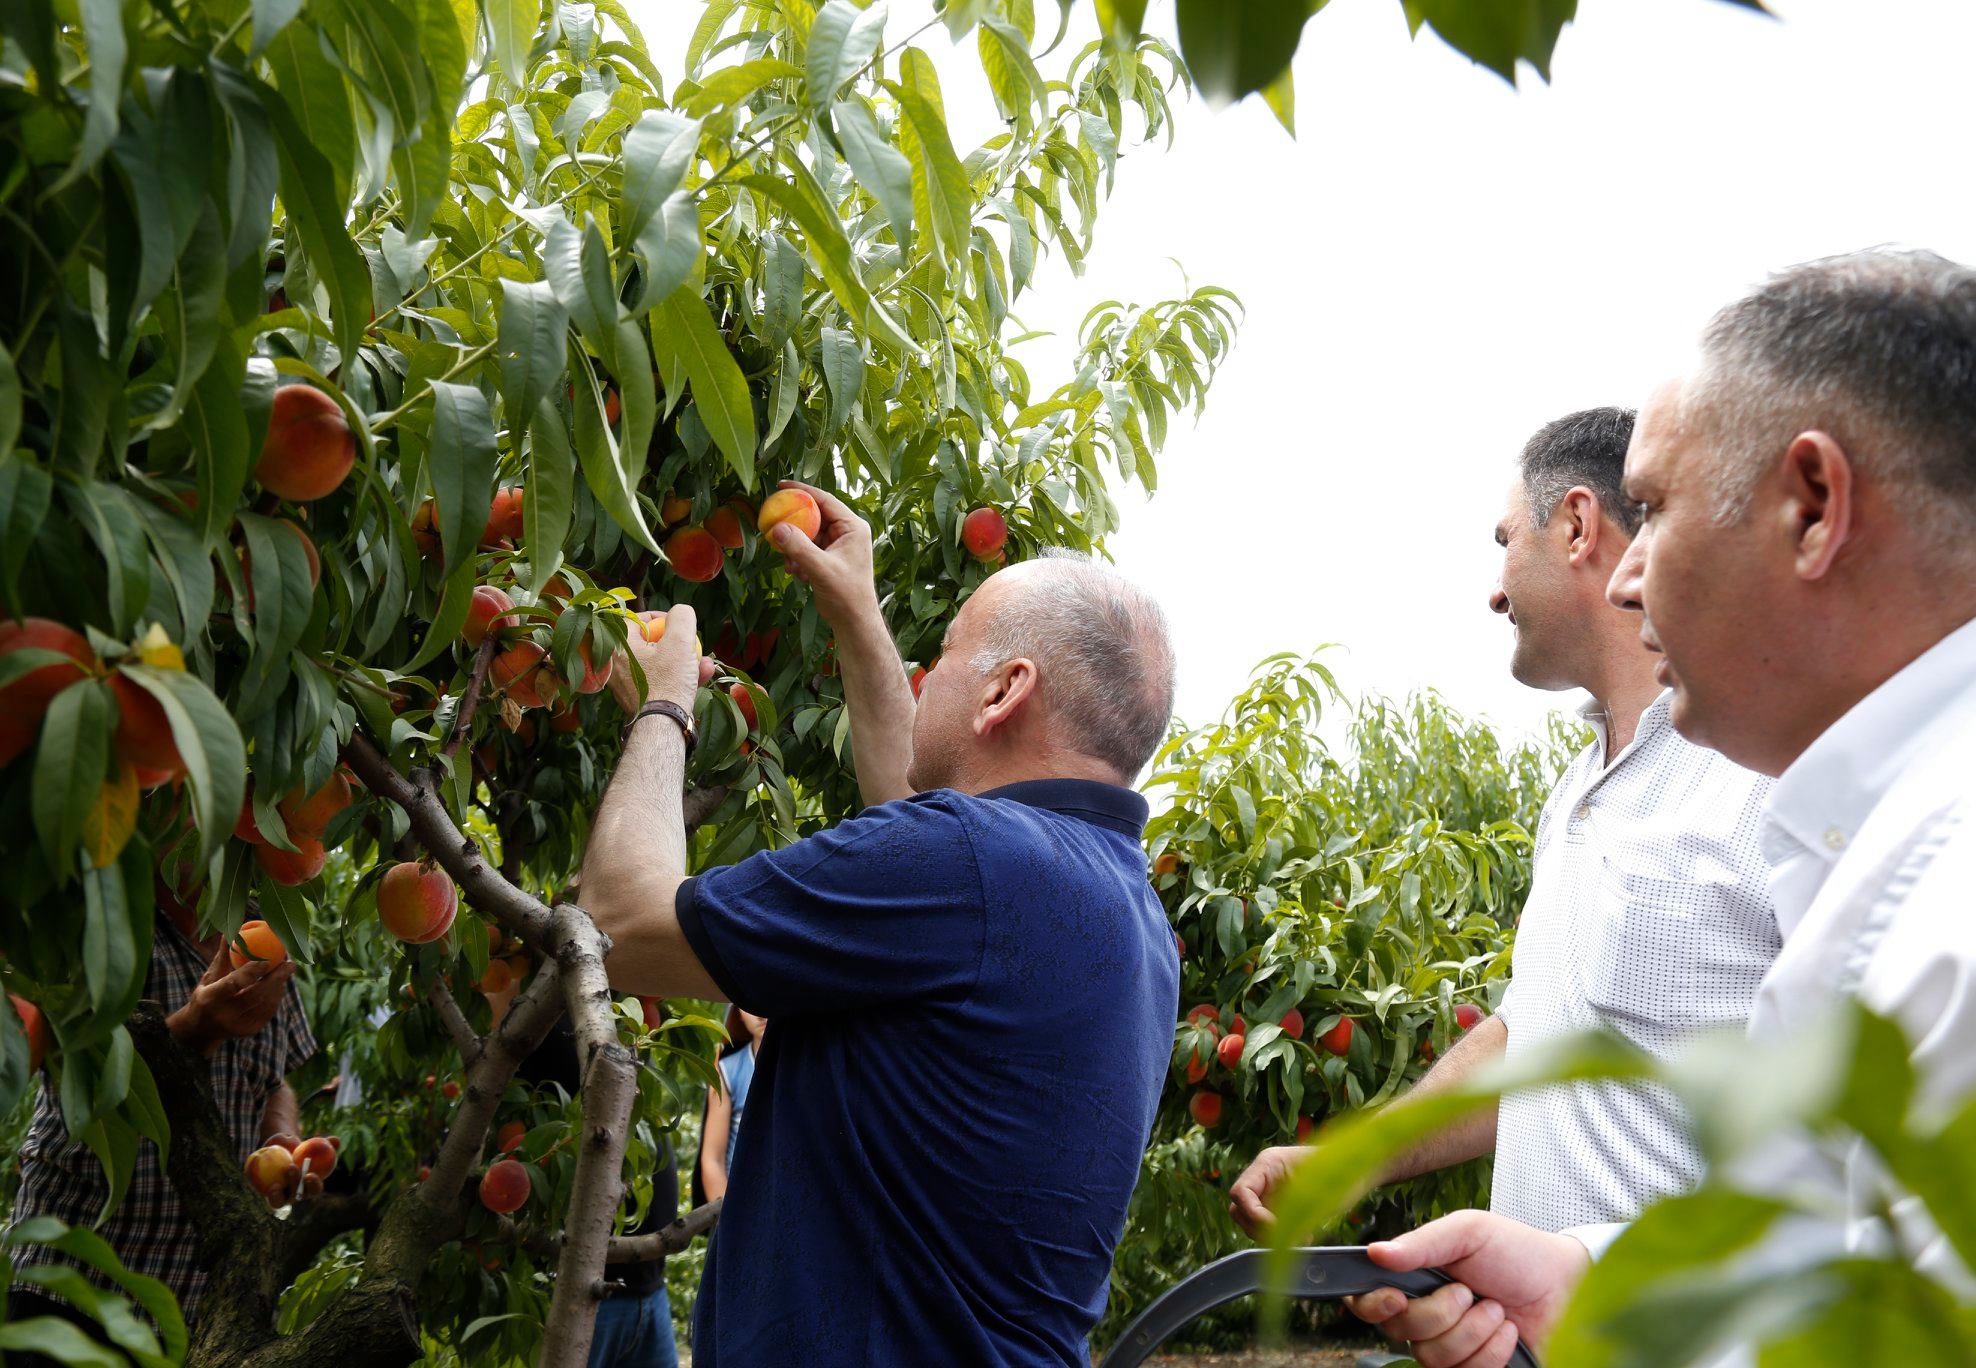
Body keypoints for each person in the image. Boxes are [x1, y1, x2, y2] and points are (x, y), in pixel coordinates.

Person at [1328, 248, 1976, 1368]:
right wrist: (1590, 1279)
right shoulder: (1864, 838)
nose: (1632, 579)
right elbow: (1843, 1252)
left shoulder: (1943, 892)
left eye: (1660, 510)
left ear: (1813, 509)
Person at [577, 484, 1181, 1367]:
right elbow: (918, 814)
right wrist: (855, 611)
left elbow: (621, 924)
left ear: (1005, 690)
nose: (926, 672)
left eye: (947, 650)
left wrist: (662, 702)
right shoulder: (1123, 908)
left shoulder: (969, 860)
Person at [1230, 408, 1779, 1240]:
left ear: (1576, 526)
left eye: (1505, 541)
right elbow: (1532, 1035)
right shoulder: (1575, 794)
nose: (1495, 591)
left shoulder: (1759, 777)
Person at [6, 890, 316, 1345]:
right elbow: (80, 1081)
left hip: (184, 1304)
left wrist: (280, 1140)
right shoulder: (100, 921)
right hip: (69, 1286)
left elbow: (275, 1079)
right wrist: (194, 1030)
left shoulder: (266, 933)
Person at [695, 1005, 766, 1206]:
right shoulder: (727, 1071)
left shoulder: (811, 1064)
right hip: (743, 1205)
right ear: (738, 1013)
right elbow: (712, 1159)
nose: (761, 1013)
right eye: (749, 1004)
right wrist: (726, 1216)